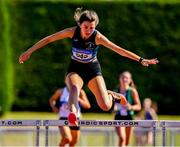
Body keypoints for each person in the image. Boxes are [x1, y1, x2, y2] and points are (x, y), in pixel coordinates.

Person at [19, 8, 159, 125]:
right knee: (74, 88)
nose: (88, 31)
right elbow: (49, 39)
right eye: (86, 27)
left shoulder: (97, 37)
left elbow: (119, 50)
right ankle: (72, 114)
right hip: (75, 68)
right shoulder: (71, 32)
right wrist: (29, 51)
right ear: (80, 24)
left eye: (92, 28)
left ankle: (110, 94)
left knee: (105, 106)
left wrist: (140, 59)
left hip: (92, 69)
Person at [113, 71, 141, 146]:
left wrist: (131, 107)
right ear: (120, 79)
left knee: (127, 142)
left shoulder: (132, 91)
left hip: (129, 117)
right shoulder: (116, 91)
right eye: (123, 77)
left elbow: (139, 106)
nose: (124, 79)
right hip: (118, 117)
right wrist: (114, 108)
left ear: (130, 80)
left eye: (127, 78)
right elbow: (114, 105)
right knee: (122, 138)